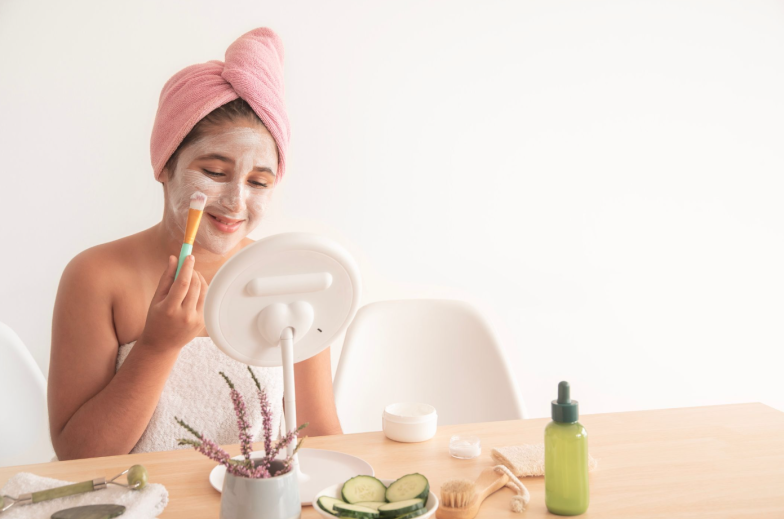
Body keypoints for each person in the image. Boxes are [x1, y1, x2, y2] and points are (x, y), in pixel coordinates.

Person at [47, 27, 342, 460]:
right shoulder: (97, 277)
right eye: (216, 172)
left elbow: (321, 439)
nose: (236, 202)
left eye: (259, 181)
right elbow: (78, 457)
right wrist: (156, 346)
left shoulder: (288, 278)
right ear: (165, 165)